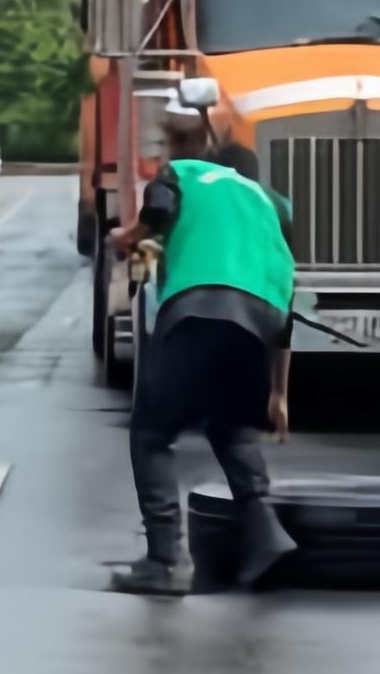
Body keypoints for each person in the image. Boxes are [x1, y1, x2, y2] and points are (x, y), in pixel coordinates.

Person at [107, 101, 297, 597]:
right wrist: (278, 394)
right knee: (229, 426)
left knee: (151, 433)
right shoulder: (272, 203)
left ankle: (163, 561)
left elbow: (157, 212)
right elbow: (288, 307)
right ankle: (266, 534)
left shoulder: (183, 173)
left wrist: (126, 237)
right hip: (262, 319)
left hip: (202, 308)